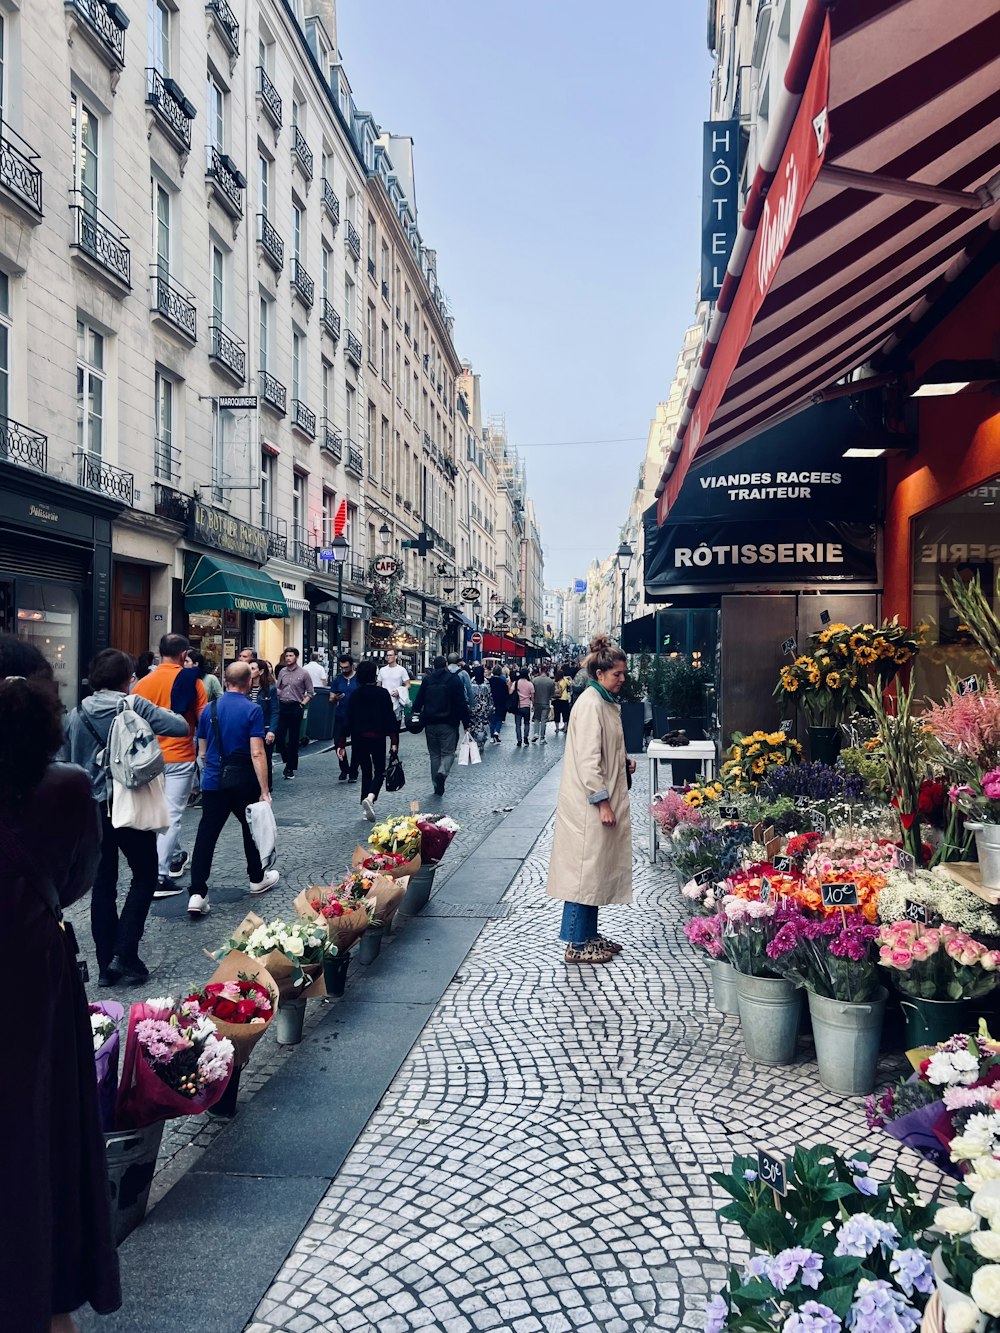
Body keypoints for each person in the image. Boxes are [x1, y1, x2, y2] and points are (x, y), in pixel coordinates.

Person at [0, 635, 121, 1332]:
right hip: (32, 982)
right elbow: (76, 881)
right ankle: (44, 1293)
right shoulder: (68, 789)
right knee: (37, 1137)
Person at [63, 649, 189, 987]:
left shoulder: (74, 715)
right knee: (145, 876)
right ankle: (125, 953)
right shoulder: (133, 705)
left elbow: (64, 760)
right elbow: (179, 727)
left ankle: (106, 967)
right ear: (127, 678)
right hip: (130, 805)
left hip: (92, 812)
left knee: (102, 885)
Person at [547, 635, 634, 965]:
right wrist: (602, 802)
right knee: (584, 874)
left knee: (593, 871)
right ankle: (576, 942)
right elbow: (587, 760)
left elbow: (604, 750)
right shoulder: (591, 705)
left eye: (623, 674)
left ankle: (589, 934)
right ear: (600, 674)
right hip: (589, 806)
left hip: (596, 801)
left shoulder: (603, 702)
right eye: (617, 674)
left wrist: (623, 762)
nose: (623, 679)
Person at [187, 661, 278, 917]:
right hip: (243, 781)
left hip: (214, 780)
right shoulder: (253, 710)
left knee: (206, 836)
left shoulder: (208, 709)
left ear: (225, 681)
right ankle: (256, 877)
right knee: (250, 829)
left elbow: (202, 751)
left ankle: (197, 892)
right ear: (249, 682)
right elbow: (257, 752)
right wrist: (264, 790)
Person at [132, 632, 207, 897]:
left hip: (148, 757)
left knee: (158, 814)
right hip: (179, 755)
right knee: (172, 815)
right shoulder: (193, 682)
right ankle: (159, 876)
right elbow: (202, 719)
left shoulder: (141, 684)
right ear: (184, 653)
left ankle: (174, 857)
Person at [344, 660, 400, 821]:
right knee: (380, 770)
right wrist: (394, 740)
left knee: (366, 770)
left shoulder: (355, 694)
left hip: (359, 738)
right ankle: (370, 797)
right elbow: (389, 718)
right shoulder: (382, 694)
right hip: (377, 737)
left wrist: (341, 742)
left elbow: (348, 718)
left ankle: (365, 803)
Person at [411, 654, 470, 795]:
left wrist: (415, 714)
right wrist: (466, 723)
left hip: (430, 723)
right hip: (448, 723)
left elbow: (418, 701)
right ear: (445, 666)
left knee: (434, 755)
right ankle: (442, 773)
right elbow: (461, 703)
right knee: (448, 753)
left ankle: (436, 785)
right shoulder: (453, 680)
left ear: (433, 666)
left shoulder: (427, 680)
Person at [275, 646, 314, 780]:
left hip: (295, 706)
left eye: (291, 656)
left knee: (293, 738)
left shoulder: (304, 673)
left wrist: (302, 704)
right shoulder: (282, 672)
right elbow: (278, 688)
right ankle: (286, 758)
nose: (288, 658)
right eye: (286, 656)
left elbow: (310, 692)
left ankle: (290, 768)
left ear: (296, 657)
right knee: (279, 735)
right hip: (282, 706)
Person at [248, 658, 279, 788]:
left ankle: (267, 787)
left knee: (265, 758)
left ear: (260, 671)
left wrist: (272, 730)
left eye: (253, 668)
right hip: (248, 729)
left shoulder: (269, 689)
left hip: (264, 728)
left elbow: (275, 711)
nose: (250, 671)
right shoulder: (245, 688)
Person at [330, 653, 360, 782]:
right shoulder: (337, 679)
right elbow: (330, 698)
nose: (344, 670)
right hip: (341, 715)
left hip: (356, 717)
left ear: (351, 666)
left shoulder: (359, 678)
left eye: (346, 668)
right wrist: (335, 698)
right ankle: (344, 768)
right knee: (338, 742)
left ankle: (353, 772)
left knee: (357, 745)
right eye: (342, 668)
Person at [376, 647, 411, 723]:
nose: (388, 657)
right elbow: (378, 685)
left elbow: (408, 685)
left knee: (395, 727)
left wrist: (399, 692)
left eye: (390, 655)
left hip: (396, 702)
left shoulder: (401, 670)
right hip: (384, 701)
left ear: (395, 656)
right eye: (387, 655)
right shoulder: (382, 670)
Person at [530, 664, 555, 745]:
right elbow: (552, 693)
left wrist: (532, 703)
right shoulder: (551, 681)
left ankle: (536, 733)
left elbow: (532, 692)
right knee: (544, 720)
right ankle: (542, 738)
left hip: (537, 702)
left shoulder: (534, 680)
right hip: (546, 702)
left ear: (540, 670)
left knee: (536, 718)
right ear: (547, 671)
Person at [469, 664, 493, 748]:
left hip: (473, 708)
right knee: (482, 726)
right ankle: (481, 742)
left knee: (473, 726)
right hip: (483, 708)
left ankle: (473, 741)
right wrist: (491, 707)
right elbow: (490, 696)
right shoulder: (486, 682)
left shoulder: (471, 682)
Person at [513, 668, 534, 747]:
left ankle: (519, 740)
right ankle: (526, 738)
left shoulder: (516, 683)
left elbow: (511, 691)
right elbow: (532, 696)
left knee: (518, 724)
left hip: (518, 705)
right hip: (526, 705)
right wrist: (533, 705)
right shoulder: (530, 684)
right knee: (526, 723)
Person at [488, 665, 508, 743]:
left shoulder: (489, 681)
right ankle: (497, 731)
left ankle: (492, 736)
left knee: (492, 720)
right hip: (500, 703)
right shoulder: (502, 682)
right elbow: (506, 693)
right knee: (499, 718)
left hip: (491, 702)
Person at [552, 667, 571, 733]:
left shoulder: (555, 681)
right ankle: (565, 728)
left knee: (557, 714)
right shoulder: (565, 680)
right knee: (565, 714)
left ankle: (557, 728)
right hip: (564, 699)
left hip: (556, 699)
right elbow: (570, 683)